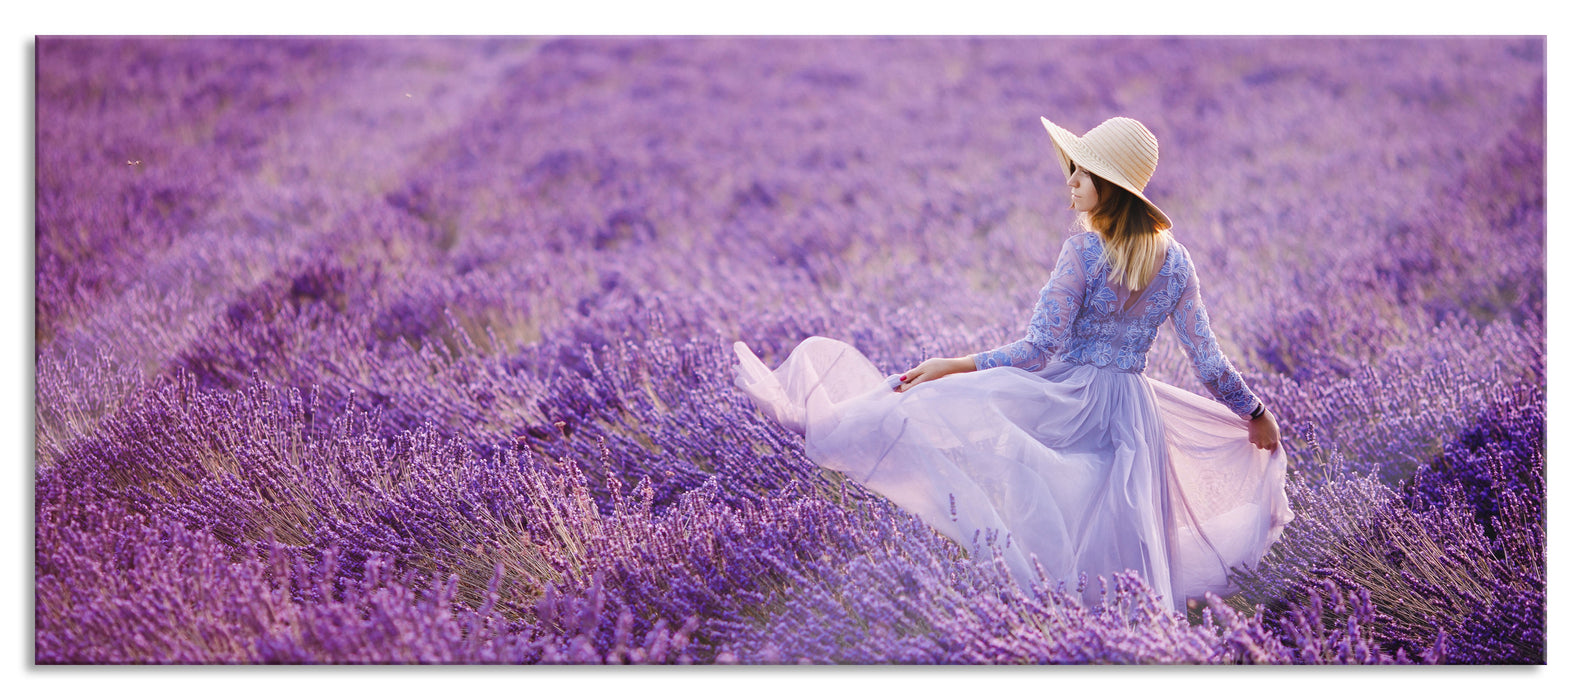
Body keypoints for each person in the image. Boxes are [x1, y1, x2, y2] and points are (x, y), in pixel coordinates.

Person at [732, 116, 1292, 612]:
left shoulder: (1084, 252)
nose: (1070, 183)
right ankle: (1130, 639)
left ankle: (826, 421)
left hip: (1071, 400)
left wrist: (952, 365)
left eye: (1081, 173)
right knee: (1122, 529)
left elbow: (1035, 351)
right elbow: (1209, 361)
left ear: (1110, 187)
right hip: (1132, 411)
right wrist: (1255, 412)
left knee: (960, 431)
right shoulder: (1175, 262)